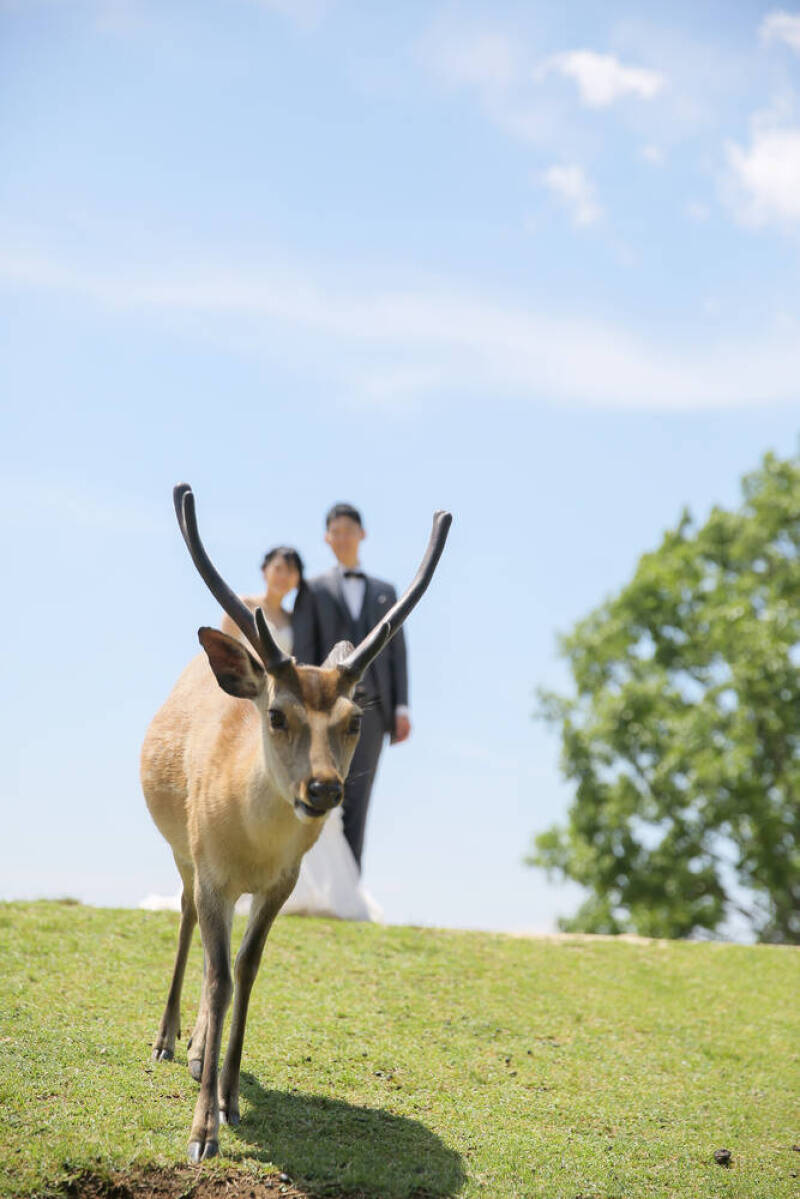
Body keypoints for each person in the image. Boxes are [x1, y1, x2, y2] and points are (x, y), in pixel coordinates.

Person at [220, 543, 380, 921]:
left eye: (291, 570)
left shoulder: (296, 618)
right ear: (265, 569)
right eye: (278, 567)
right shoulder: (242, 605)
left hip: (289, 721)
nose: (283, 575)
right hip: (249, 710)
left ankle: (308, 889)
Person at [293, 503, 410, 871]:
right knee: (319, 788)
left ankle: (350, 886)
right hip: (324, 710)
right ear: (327, 538)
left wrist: (402, 708)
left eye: (349, 530)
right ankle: (306, 877)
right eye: (336, 531)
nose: (343, 537)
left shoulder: (386, 591)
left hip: (373, 710)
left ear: (363, 534)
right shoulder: (312, 589)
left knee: (359, 794)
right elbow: (304, 650)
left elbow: (398, 653)